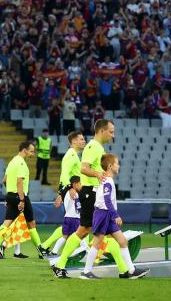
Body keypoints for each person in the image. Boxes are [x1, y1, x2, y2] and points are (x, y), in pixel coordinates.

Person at [53, 119, 122, 278]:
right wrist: (98, 174)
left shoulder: (98, 147)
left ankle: (126, 270)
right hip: (90, 193)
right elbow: (84, 168)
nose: (113, 135)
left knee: (105, 230)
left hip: (93, 193)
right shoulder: (93, 147)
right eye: (111, 131)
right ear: (102, 131)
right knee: (85, 230)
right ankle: (62, 265)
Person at [81, 154, 148, 279]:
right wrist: (116, 215)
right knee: (97, 243)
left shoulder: (107, 180)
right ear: (110, 166)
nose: (119, 166)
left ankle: (132, 270)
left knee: (122, 241)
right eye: (117, 163)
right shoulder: (107, 181)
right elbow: (107, 200)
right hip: (103, 214)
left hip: (107, 214)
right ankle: (86, 272)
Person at [0, 141, 44, 258]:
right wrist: (21, 200)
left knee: (7, 223)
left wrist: (9, 195)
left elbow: (4, 180)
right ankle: (41, 251)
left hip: (11, 195)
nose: (33, 154)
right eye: (31, 151)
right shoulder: (21, 163)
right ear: (24, 150)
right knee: (31, 223)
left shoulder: (12, 161)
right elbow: (19, 182)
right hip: (20, 196)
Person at [41, 131, 84, 252]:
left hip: (71, 190)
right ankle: (84, 249)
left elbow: (64, 175)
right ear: (74, 141)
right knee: (79, 221)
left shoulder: (73, 154)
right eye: (81, 139)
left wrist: (61, 193)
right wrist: (69, 188)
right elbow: (65, 174)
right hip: (72, 190)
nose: (84, 141)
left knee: (73, 223)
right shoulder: (71, 155)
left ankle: (45, 246)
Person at [50, 176, 83, 256]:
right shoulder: (73, 193)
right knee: (80, 235)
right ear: (75, 184)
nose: (81, 185)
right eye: (80, 183)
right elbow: (79, 206)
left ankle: (54, 251)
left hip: (68, 217)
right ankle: (83, 251)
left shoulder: (68, 192)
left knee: (65, 236)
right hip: (74, 218)